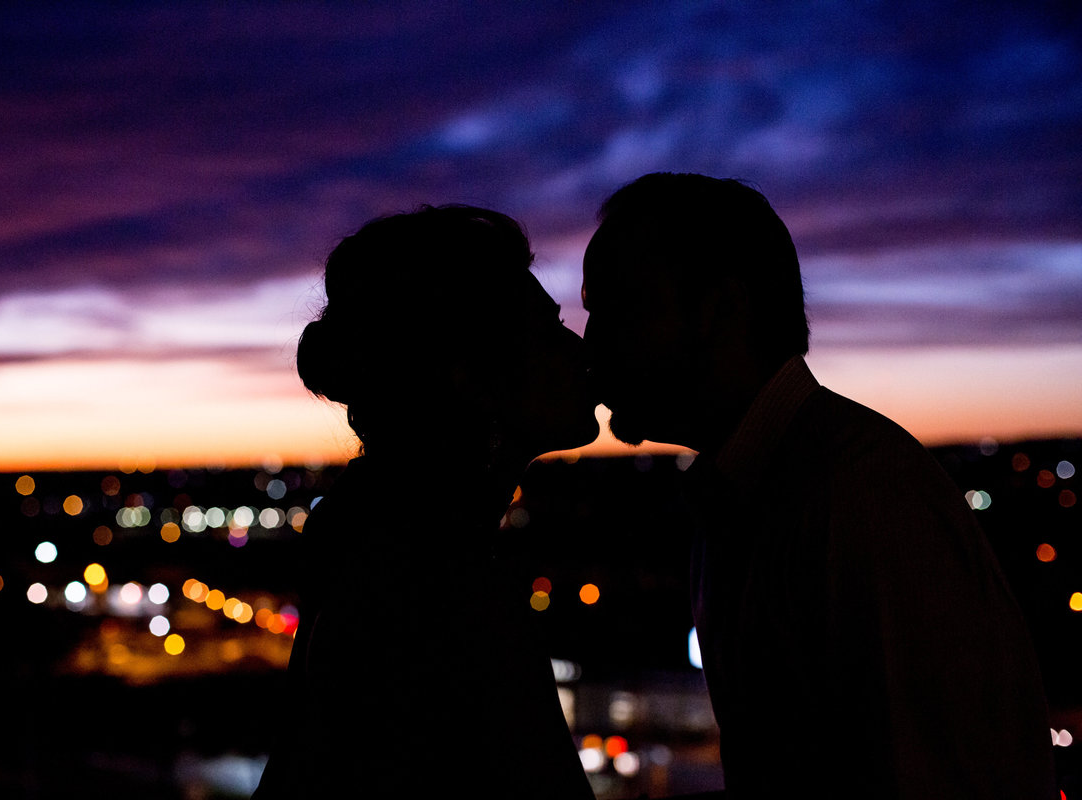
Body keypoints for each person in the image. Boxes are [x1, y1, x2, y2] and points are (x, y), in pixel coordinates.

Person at [580, 172, 1056, 798]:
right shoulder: (756, 495)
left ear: (721, 311)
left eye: (619, 309)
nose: (591, 347)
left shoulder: (862, 499)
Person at [253, 205, 598, 799]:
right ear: (471, 377)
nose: (580, 350)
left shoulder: (381, 538)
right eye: (548, 329)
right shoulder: (437, 583)